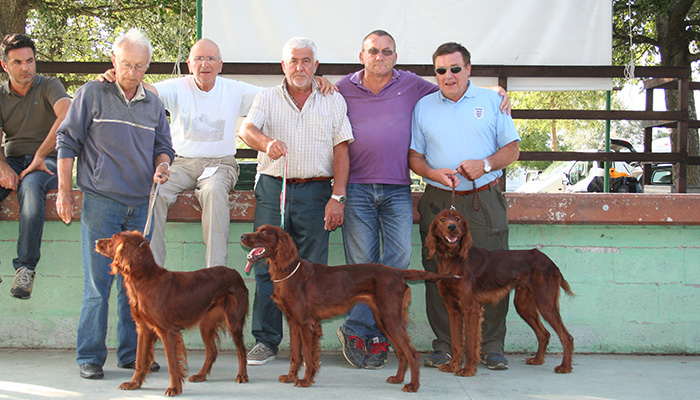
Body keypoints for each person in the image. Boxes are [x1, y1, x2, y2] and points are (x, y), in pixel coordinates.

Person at [335, 30, 511, 369]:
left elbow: (462, 98)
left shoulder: (415, 85)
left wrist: (494, 92)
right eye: (373, 51)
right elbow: (415, 154)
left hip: (424, 192)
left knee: (405, 261)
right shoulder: (345, 88)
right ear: (362, 56)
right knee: (377, 266)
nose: (380, 56)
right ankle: (368, 332)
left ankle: (485, 346)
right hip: (371, 189)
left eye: (387, 51)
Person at [55, 28, 175, 380]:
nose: (132, 73)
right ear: (114, 61)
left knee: (137, 287)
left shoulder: (154, 103)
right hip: (101, 202)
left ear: (147, 67)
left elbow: (163, 147)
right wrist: (64, 191)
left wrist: (163, 166)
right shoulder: (91, 93)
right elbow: (67, 142)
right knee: (98, 285)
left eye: (140, 67)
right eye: (126, 64)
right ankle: (89, 357)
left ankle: (130, 355)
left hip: (141, 204)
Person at [238, 37, 353, 366]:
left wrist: (337, 197)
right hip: (274, 188)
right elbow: (247, 129)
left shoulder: (333, 99)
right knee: (265, 266)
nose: (299, 67)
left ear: (316, 66)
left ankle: (307, 337)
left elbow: (342, 149)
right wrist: (266, 142)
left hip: (318, 192)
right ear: (283, 65)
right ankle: (266, 340)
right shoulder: (268, 97)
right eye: (293, 61)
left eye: (306, 61)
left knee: (311, 270)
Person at [409, 42, 520, 371]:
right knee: (438, 274)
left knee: (493, 272)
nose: (448, 75)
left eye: (455, 68)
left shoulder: (491, 101)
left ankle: (492, 346)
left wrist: (485, 164)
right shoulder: (424, 106)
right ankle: (445, 344)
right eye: (441, 70)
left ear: (468, 69)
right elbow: (415, 156)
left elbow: (512, 150)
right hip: (439, 199)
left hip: (482, 198)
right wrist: (431, 172)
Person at [0, 33, 71, 299]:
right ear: (5, 65)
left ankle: (26, 269)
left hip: (48, 161)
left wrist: (40, 156)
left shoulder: (49, 85)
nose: (25, 68)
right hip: (13, 159)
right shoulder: (1, 95)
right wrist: (2, 166)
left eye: (30, 61)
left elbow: (67, 115)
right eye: (17, 62)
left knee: (30, 187)